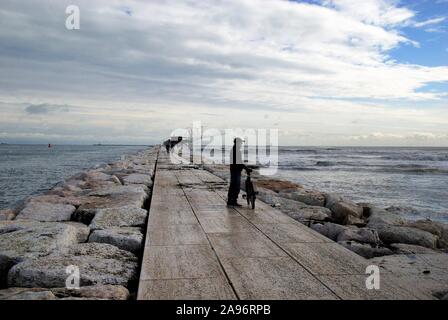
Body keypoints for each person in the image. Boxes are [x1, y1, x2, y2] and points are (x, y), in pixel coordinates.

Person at [227, 137, 251, 207]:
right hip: (235, 171)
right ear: (237, 143)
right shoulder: (236, 151)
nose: (241, 144)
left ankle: (231, 201)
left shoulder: (234, 150)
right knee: (235, 186)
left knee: (233, 186)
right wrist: (246, 168)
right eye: (240, 143)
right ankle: (233, 201)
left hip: (234, 170)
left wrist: (244, 167)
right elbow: (239, 162)